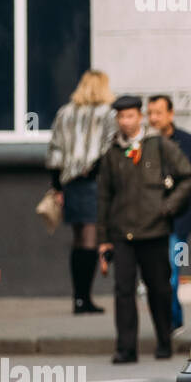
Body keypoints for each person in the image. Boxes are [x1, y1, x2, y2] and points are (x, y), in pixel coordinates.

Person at [97, 95, 191, 362]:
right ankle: (126, 348)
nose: (125, 122)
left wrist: (167, 207)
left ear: (139, 116)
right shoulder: (112, 152)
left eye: (130, 116)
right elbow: (104, 196)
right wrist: (103, 238)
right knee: (123, 291)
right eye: (120, 117)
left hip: (154, 231)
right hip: (123, 233)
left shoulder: (159, 145)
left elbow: (188, 176)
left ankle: (164, 341)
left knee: (159, 289)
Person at [45, 69, 117, 314]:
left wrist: (56, 186)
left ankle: (78, 297)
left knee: (78, 239)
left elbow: (54, 151)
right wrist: (95, 171)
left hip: (70, 183)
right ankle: (83, 298)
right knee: (90, 239)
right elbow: (109, 149)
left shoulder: (64, 113)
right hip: (93, 182)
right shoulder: (108, 114)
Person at [147, 94, 191, 331]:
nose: (153, 118)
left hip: (179, 222)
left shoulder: (189, 143)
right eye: (150, 113)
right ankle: (169, 321)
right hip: (148, 223)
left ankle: (171, 323)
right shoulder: (142, 144)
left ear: (171, 114)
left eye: (158, 113)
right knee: (155, 276)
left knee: (172, 273)